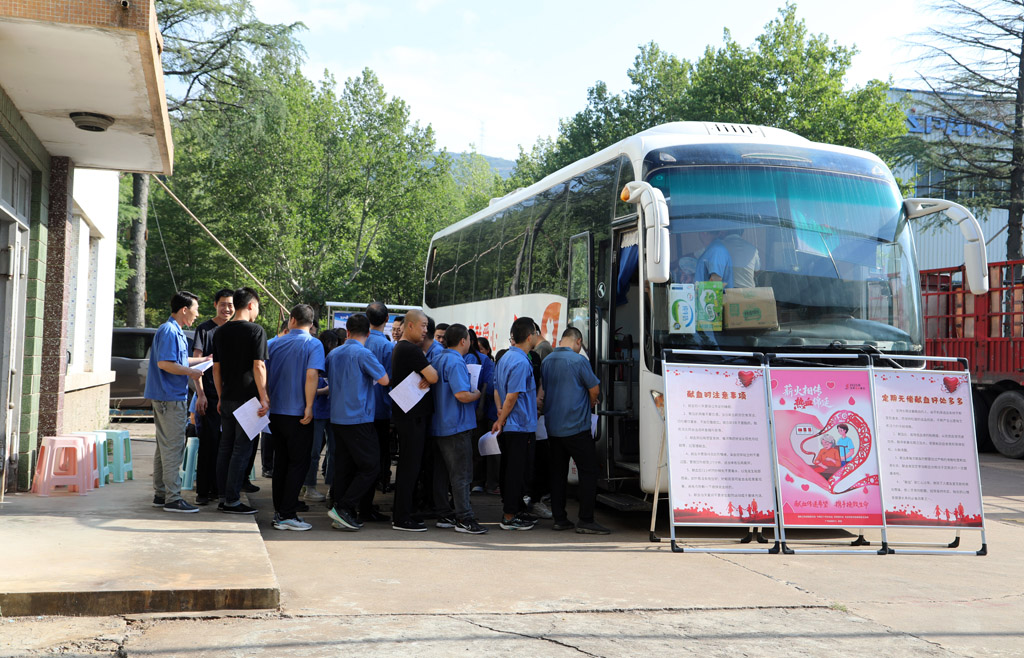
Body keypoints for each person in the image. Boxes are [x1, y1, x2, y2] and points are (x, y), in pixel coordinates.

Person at [325, 313, 389, 531]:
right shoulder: (364, 353)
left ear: (348, 331)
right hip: (358, 417)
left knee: (344, 466)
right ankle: (344, 507)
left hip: (337, 416)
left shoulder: (334, 354)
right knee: (371, 466)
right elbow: (384, 379)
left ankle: (342, 512)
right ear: (369, 332)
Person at [145, 291, 208, 513]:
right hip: (169, 398)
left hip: (168, 397)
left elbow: (178, 360)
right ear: (184, 310)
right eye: (195, 309)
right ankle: (173, 498)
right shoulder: (170, 330)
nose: (197, 314)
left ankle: (162, 494)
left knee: (164, 447)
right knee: (173, 448)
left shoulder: (175, 331)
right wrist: (191, 372)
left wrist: (203, 360)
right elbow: (165, 363)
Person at [542, 327, 609, 534]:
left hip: (553, 427)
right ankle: (586, 520)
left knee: (558, 473)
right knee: (588, 471)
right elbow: (595, 389)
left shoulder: (547, 361)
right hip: (576, 427)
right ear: (578, 341)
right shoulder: (579, 361)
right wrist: (588, 406)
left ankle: (559, 519)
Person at [266, 304, 325, 531]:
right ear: (311, 324)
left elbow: (260, 372)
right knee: (298, 464)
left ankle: (280, 511)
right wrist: (310, 405)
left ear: (291, 320)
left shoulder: (273, 344)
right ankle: (288, 514)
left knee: (280, 463)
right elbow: (312, 374)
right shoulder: (313, 344)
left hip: (275, 413)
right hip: (299, 413)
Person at [212, 287, 269, 515]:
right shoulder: (256, 331)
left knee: (225, 447)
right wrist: (264, 398)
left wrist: (220, 395)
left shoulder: (220, 332)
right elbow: (259, 366)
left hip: (226, 398)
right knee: (241, 450)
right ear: (251, 305)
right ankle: (233, 501)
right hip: (248, 399)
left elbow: (216, 369)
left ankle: (224, 496)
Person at [430, 324, 487, 534]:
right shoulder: (455, 361)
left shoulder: (437, 358)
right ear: (464, 341)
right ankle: (464, 518)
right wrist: (477, 394)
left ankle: (444, 513)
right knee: (461, 474)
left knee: (442, 473)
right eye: (469, 339)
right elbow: (462, 394)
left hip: (440, 425)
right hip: (456, 425)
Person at [390, 309, 438, 532]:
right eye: (423, 325)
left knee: (412, 466)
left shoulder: (403, 348)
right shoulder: (409, 349)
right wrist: (427, 378)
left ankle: (405, 513)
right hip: (411, 417)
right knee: (409, 467)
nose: (425, 330)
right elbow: (434, 376)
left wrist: (425, 377)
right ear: (410, 326)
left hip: (409, 415)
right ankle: (401, 517)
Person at [492, 316, 540, 530]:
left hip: (511, 424)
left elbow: (497, 390)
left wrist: (500, 415)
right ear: (529, 336)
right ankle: (510, 516)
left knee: (511, 469)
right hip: (518, 425)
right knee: (516, 471)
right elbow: (512, 396)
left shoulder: (505, 358)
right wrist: (502, 419)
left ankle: (515, 510)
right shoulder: (521, 361)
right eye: (535, 334)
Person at [191, 288, 234, 506]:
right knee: (209, 444)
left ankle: (221, 490)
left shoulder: (236, 330)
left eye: (231, 305)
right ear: (215, 304)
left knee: (226, 446)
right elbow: (197, 364)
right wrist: (200, 394)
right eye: (223, 304)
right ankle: (203, 491)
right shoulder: (204, 330)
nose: (227, 308)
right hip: (209, 396)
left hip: (231, 398)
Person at [303, 330, 340, 503]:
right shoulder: (318, 359)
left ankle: (330, 486)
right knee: (315, 451)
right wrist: (324, 391)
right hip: (318, 411)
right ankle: (310, 486)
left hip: (329, 411)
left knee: (331, 451)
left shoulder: (332, 359)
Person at [365, 301, 395, 505]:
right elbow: (390, 381)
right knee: (379, 457)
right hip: (381, 410)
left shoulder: (360, 342)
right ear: (387, 319)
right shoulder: (387, 346)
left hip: (358, 412)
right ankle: (369, 503)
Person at [466, 329, 496, 494]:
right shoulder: (459, 358)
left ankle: (476, 481)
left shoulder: (482, 360)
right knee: (474, 447)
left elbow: (488, 387)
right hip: (474, 410)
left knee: (475, 447)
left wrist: (480, 407)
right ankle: (475, 481)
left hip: (475, 411)